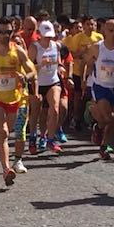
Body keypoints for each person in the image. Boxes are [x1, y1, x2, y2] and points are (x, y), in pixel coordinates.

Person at [0, 16, 35, 184]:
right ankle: (6, 169)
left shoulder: (18, 50)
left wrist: (25, 76)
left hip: (14, 98)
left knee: (7, 130)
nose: (6, 35)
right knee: (4, 133)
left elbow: (32, 71)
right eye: (2, 32)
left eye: (9, 32)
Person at [84, 18, 114, 160]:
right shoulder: (97, 48)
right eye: (111, 31)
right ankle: (95, 115)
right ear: (104, 31)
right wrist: (84, 79)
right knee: (108, 117)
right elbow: (87, 63)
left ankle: (103, 144)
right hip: (101, 86)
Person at [28, 20, 68, 155]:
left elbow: (59, 62)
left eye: (50, 36)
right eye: (46, 36)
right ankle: (33, 137)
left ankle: (50, 139)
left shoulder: (56, 46)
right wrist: (40, 65)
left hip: (52, 81)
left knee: (55, 109)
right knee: (36, 111)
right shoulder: (34, 47)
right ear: (39, 34)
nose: (48, 39)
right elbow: (28, 68)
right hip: (38, 82)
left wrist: (61, 68)